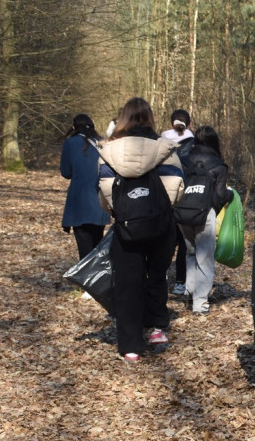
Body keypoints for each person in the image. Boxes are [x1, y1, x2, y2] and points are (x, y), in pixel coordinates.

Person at [97, 97, 184, 363]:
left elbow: (104, 189)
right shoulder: (166, 148)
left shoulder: (108, 151)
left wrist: (120, 212)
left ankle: (131, 345)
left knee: (127, 284)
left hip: (126, 227)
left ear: (122, 118)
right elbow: (177, 185)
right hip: (161, 224)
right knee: (156, 275)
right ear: (149, 118)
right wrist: (160, 209)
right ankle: (157, 328)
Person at [178, 125, 233, 315]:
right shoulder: (218, 165)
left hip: (182, 212)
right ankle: (199, 302)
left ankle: (189, 290)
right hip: (204, 213)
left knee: (191, 251)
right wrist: (229, 196)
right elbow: (219, 195)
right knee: (205, 256)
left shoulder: (183, 161)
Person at [60, 114, 110, 268]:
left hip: (78, 199)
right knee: (97, 241)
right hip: (99, 198)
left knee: (83, 243)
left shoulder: (69, 143)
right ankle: (96, 279)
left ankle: (87, 282)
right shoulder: (103, 143)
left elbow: (66, 172)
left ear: (74, 128)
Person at [162, 109, 195, 297]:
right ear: (189, 124)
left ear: (170, 124)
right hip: (187, 197)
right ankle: (181, 282)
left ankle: (161, 277)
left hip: (165, 198)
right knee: (184, 242)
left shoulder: (160, 143)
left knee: (164, 240)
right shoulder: (195, 144)